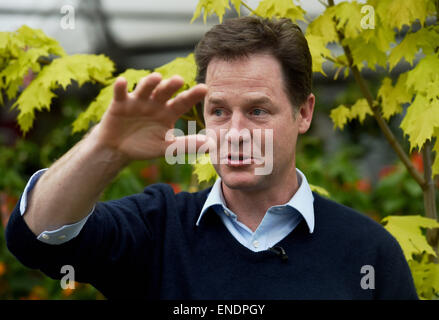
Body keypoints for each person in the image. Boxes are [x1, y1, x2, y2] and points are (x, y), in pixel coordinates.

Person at [6, 16, 418, 299]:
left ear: (304, 113)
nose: (235, 133)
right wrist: (106, 149)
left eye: (257, 111)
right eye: (219, 111)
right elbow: (38, 237)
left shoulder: (368, 253)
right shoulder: (156, 230)